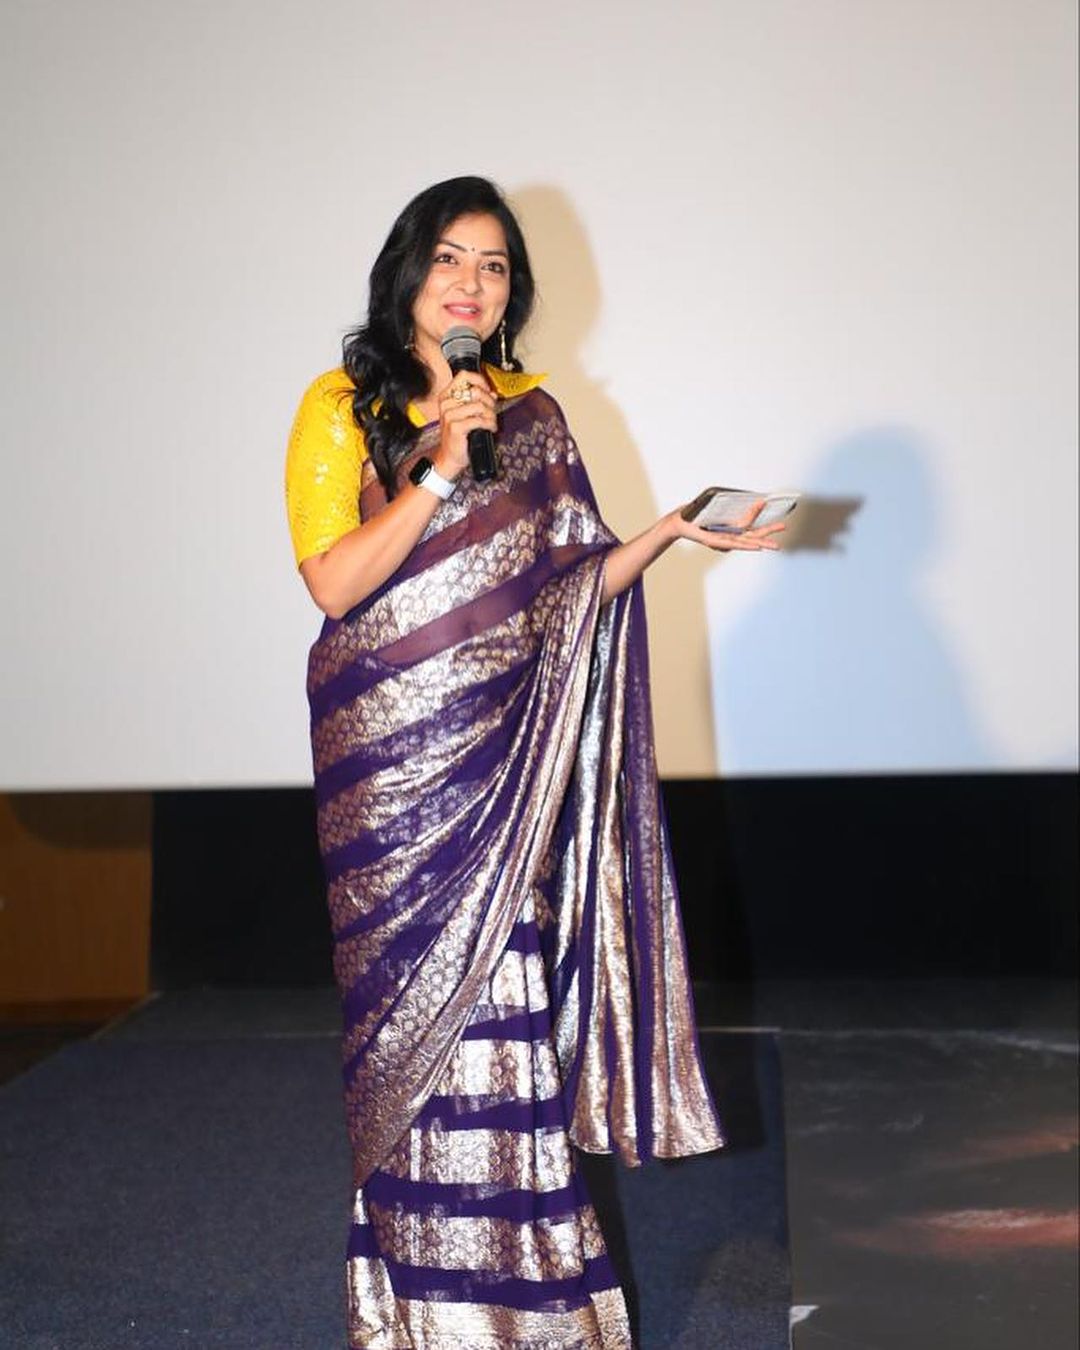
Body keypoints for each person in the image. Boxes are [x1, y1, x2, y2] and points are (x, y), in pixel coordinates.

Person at [284, 176, 784, 1349]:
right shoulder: (339, 406)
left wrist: (661, 536)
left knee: (504, 1012)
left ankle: (529, 1309)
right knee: (406, 1035)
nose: (469, 283)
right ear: (408, 274)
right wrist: (441, 467)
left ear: (512, 291)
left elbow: (569, 594)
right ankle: (417, 1309)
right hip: (386, 775)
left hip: (504, 767)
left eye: (494, 266)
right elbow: (334, 583)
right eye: (450, 259)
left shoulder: (539, 419)